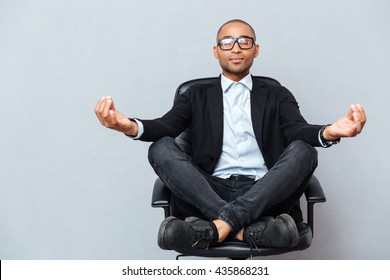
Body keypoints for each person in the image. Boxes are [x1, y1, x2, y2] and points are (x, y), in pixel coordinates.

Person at [94, 19, 366, 250]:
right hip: (211, 189)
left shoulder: (276, 94)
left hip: (265, 190)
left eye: (244, 41)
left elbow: (297, 130)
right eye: (227, 42)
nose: (236, 48)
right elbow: (167, 126)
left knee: (304, 150)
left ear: (256, 50)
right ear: (216, 51)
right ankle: (246, 230)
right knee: (160, 147)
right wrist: (129, 126)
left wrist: (329, 131)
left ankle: (212, 230)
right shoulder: (196, 95)